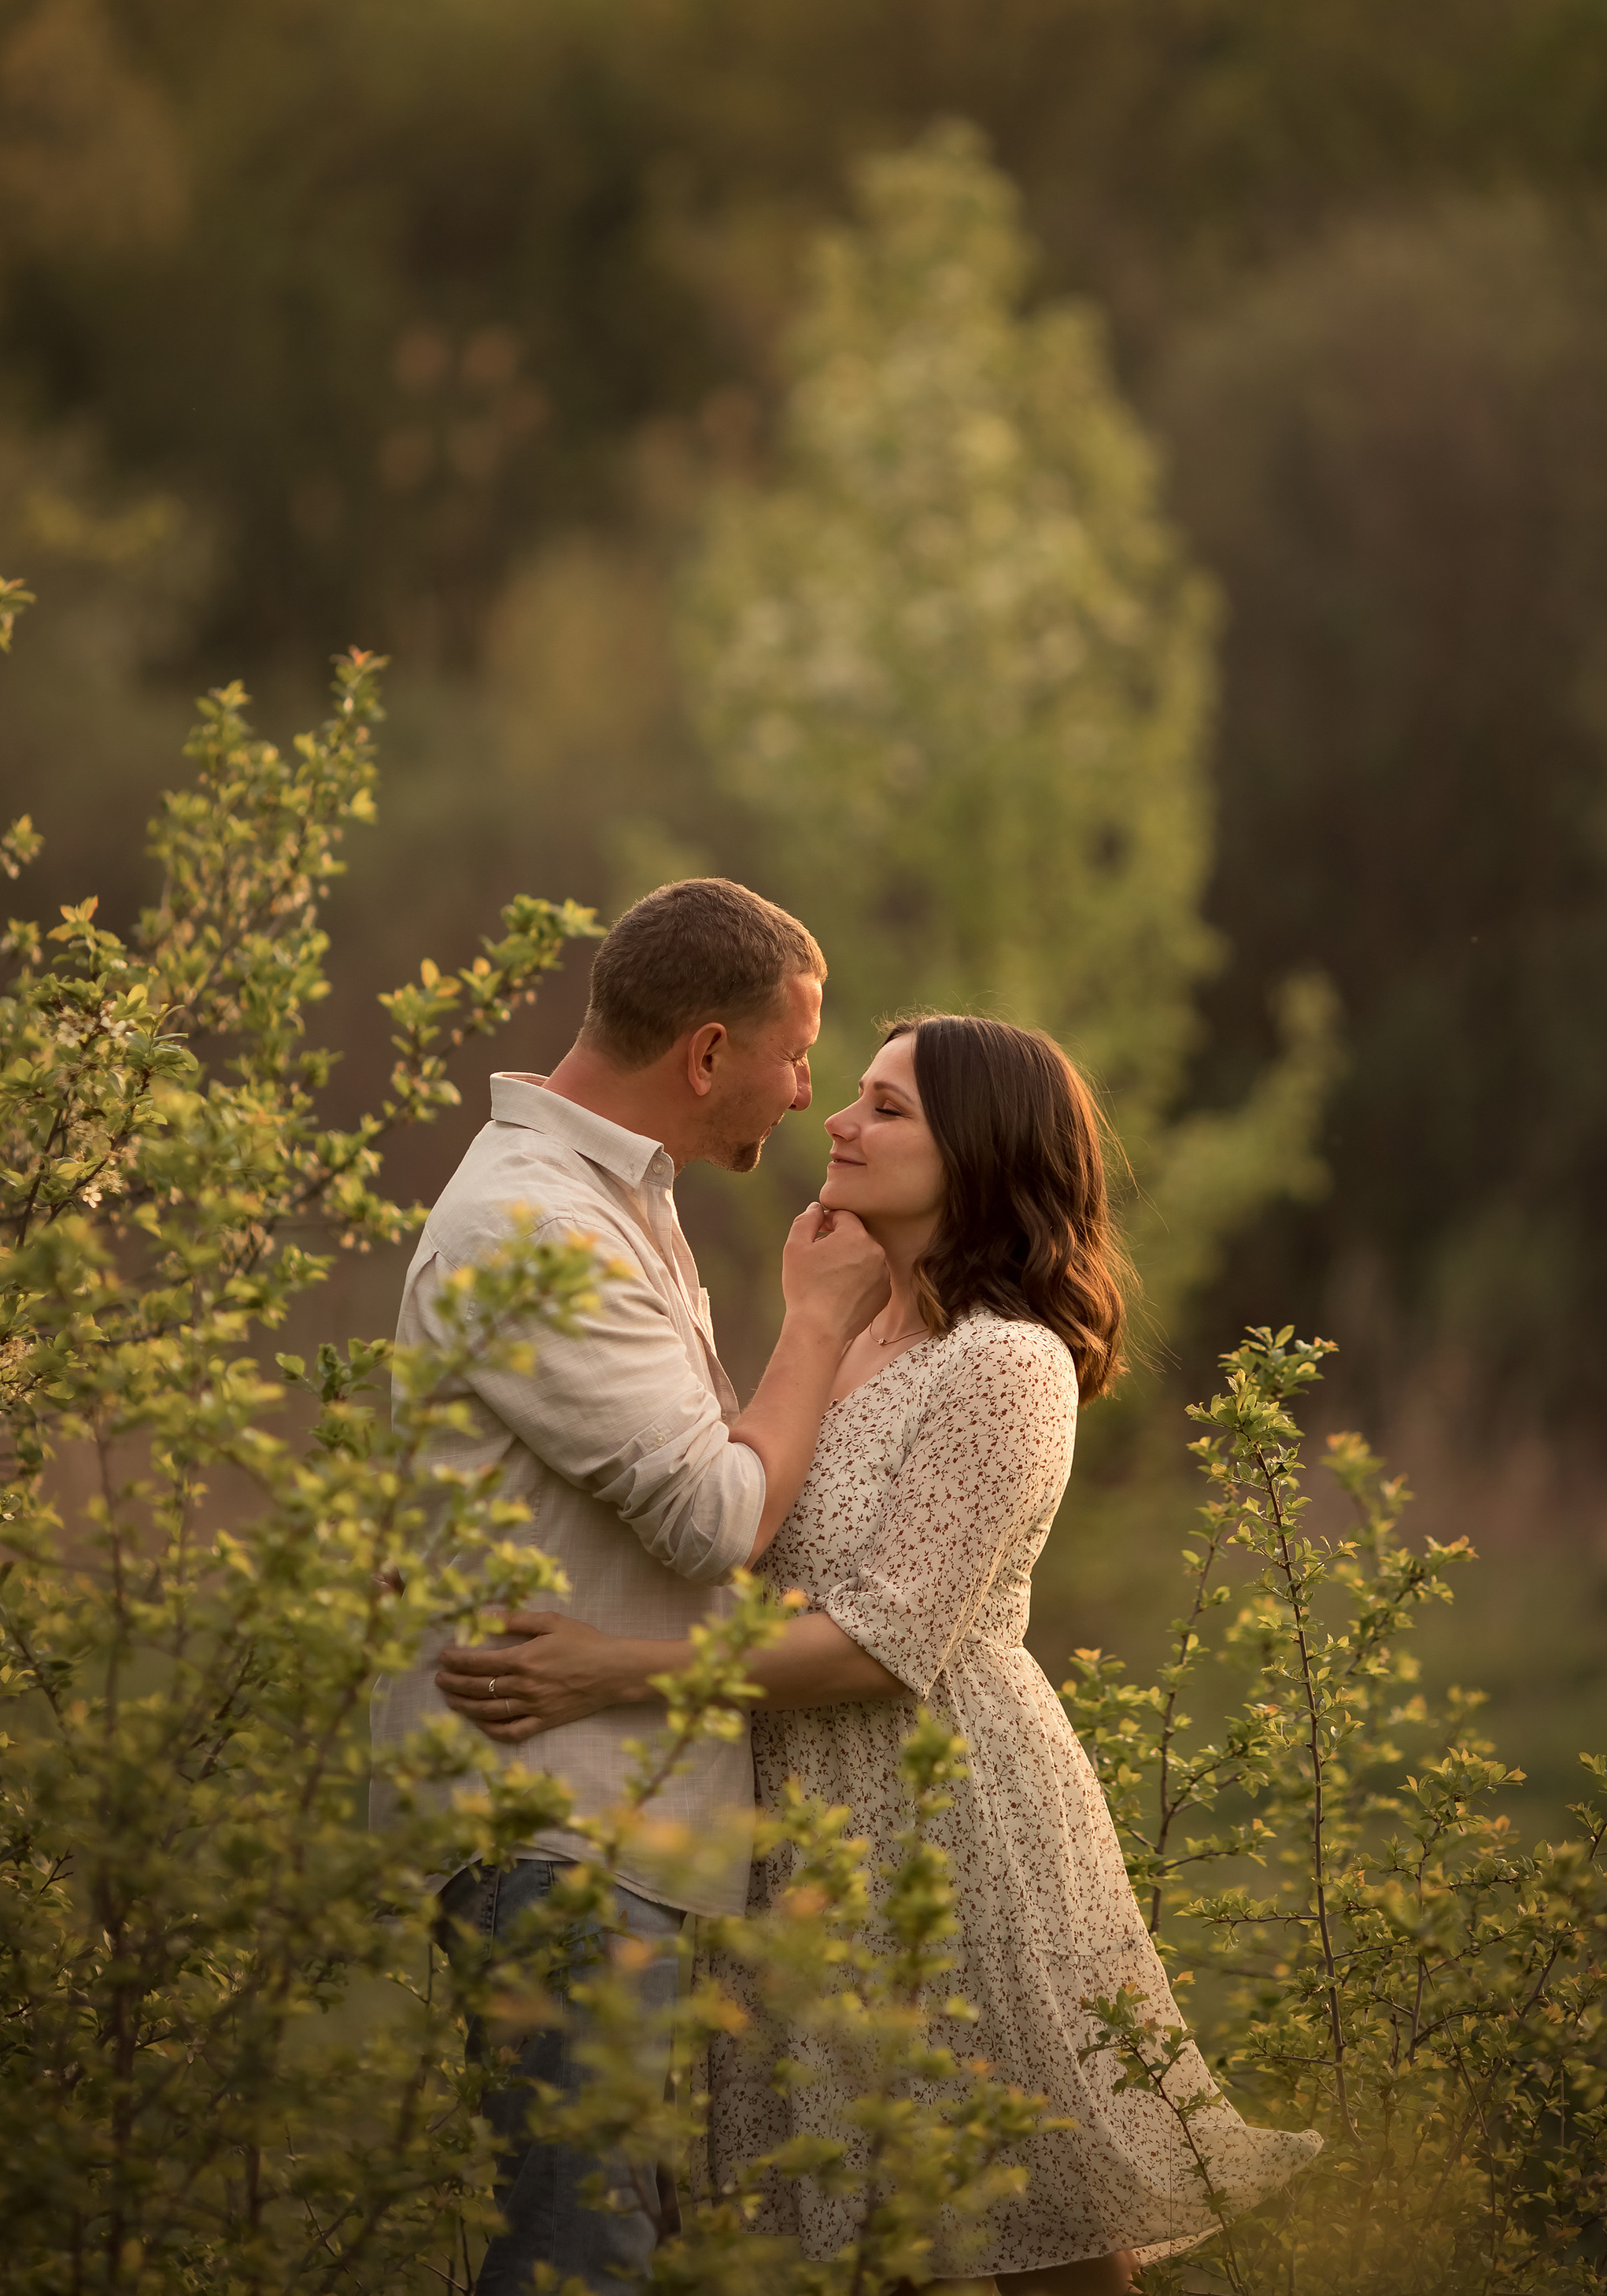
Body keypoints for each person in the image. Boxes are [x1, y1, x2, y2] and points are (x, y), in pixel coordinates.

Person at [439, 1012, 1323, 2294]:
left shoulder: (1009, 1363)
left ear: (980, 1152)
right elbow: (736, 1541)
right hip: (805, 1834)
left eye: (887, 1108)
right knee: (874, 2243)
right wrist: (808, 1314)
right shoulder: (851, 1336)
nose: (838, 1122)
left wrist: (609, 1669)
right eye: (853, 1095)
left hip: (948, 1825)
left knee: (1042, 2232)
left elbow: (883, 1643)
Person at [371, 877, 891, 2296]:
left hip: (607, 1827)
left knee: (625, 2247)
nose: (808, 1090)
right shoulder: (536, 1225)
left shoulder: (610, 1199)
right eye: (796, 1053)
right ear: (708, 1053)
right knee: (577, 2259)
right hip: (558, 1828)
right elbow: (717, 1510)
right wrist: (822, 1319)